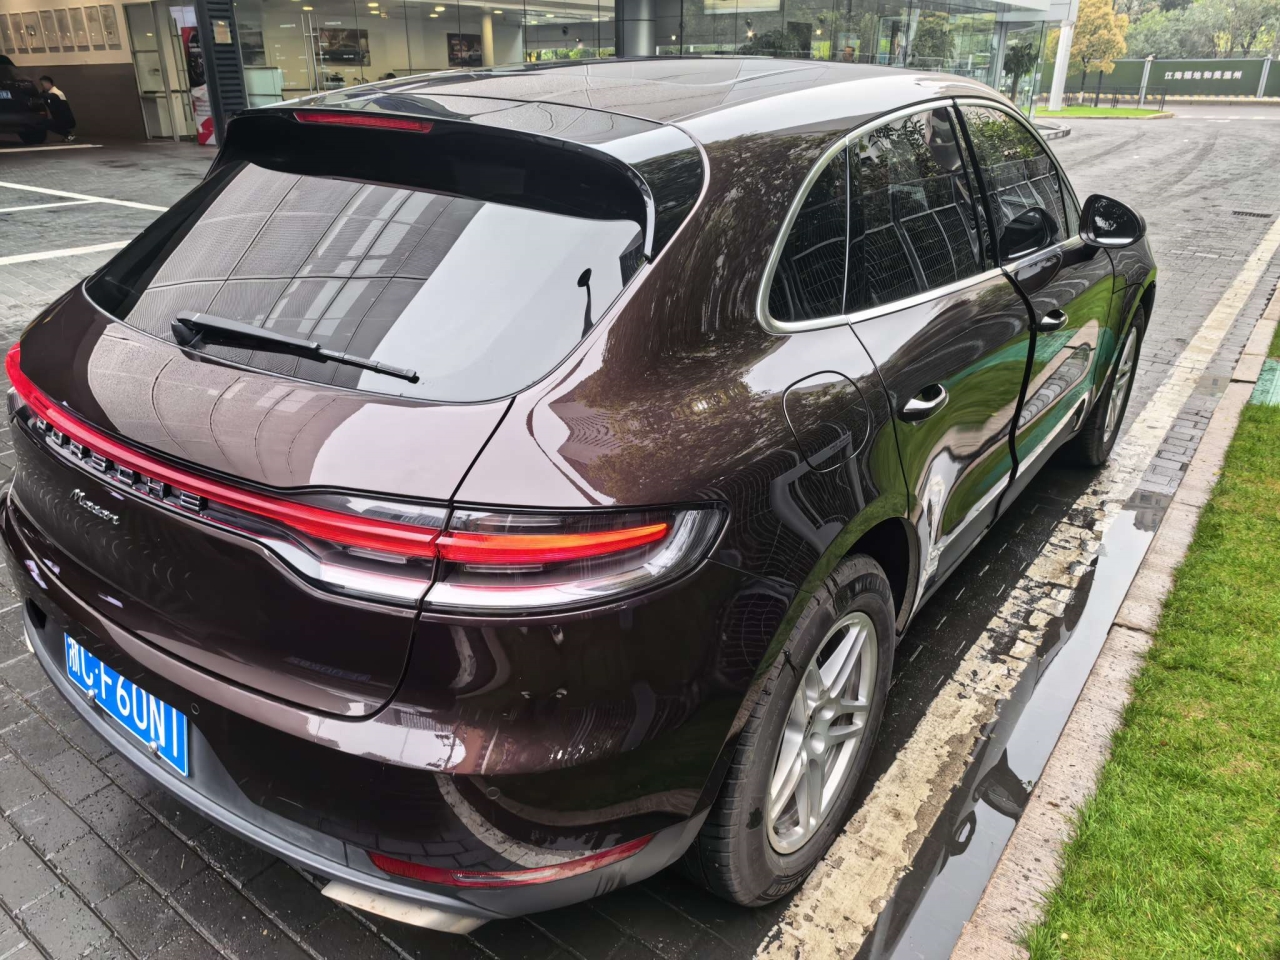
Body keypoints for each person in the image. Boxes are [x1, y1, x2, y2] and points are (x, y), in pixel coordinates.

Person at [37, 76, 76, 142]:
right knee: (46, 122)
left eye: (42, 84)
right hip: (62, 119)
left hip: (65, 120)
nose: (42, 87)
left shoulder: (56, 93)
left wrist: (39, 94)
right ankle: (68, 134)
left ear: (48, 83)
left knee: (45, 123)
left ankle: (68, 134)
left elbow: (48, 97)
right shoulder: (53, 93)